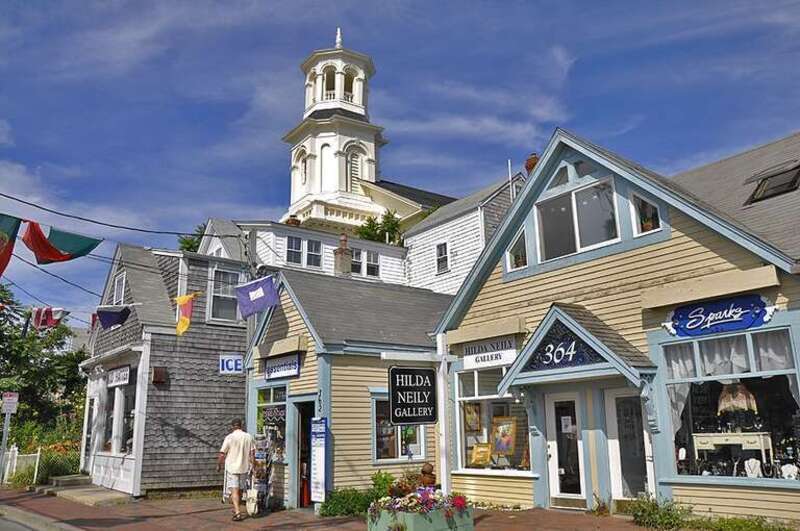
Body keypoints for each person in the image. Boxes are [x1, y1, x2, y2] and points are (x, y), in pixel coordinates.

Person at [217, 419, 255, 522]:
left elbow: (222, 453)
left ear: (233, 426)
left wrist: (219, 464)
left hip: (232, 468)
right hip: (244, 467)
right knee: (240, 489)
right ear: (241, 426)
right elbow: (252, 453)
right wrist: (254, 466)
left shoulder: (229, 437)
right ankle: (237, 508)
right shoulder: (249, 437)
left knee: (234, 490)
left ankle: (238, 512)